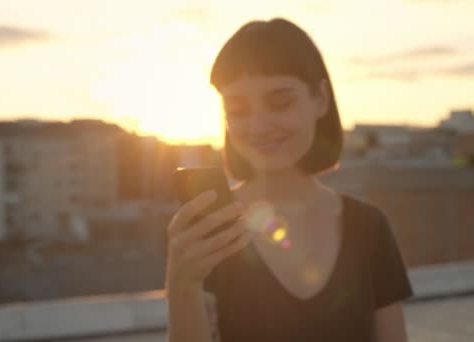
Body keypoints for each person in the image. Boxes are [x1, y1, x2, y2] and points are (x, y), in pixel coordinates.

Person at [164, 18, 413, 341]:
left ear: (320, 99)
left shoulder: (369, 228)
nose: (258, 126)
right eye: (238, 110)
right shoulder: (215, 229)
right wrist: (183, 283)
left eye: (280, 102)